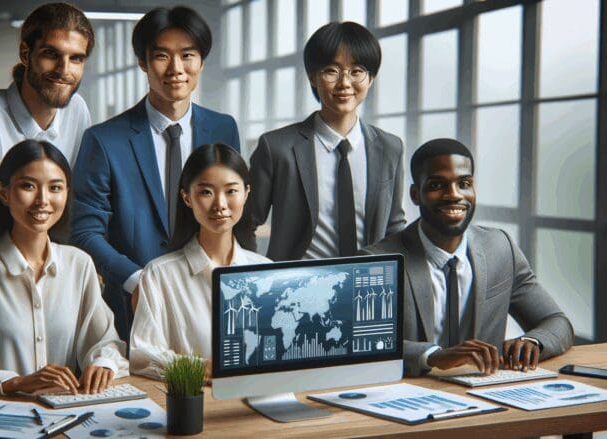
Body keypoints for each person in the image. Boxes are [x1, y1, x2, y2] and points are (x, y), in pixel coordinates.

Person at [72, 6, 241, 341]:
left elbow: (235, 215)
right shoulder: (104, 140)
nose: (176, 69)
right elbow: (84, 231)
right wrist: (138, 281)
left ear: (201, 62)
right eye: (162, 56)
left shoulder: (224, 128)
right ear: (142, 62)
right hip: (131, 304)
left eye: (188, 55)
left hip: (210, 300)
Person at [0, 140, 128, 396]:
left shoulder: (79, 264)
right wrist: (14, 383)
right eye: (28, 186)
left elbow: (105, 341)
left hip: (65, 414)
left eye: (55, 188)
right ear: (4, 193)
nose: (43, 200)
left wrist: (103, 363)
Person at [361, 138, 573, 377]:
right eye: (436, 185)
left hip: (486, 393)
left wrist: (532, 341)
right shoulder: (377, 261)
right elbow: (365, 344)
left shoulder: (500, 248)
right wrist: (433, 356)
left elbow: (556, 321)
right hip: (410, 394)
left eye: (464, 183)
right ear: (415, 194)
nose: (454, 195)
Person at [0, 2, 94, 252]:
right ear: (25, 54)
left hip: (56, 275)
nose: (64, 70)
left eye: (76, 58)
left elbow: (73, 208)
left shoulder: (77, 110)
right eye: (51, 54)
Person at [245, 21, 405, 261]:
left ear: (370, 78)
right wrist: (255, 276)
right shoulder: (277, 147)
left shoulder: (390, 148)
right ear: (312, 77)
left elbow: (394, 226)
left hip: (369, 286)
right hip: (296, 288)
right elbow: (245, 222)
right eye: (331, 70)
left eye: (357, 71)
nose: (345, 83)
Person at [130, 144, 269, 381]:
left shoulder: (266, 270)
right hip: (190, 401)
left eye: (231, 191)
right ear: (187, 197)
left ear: (246, 193)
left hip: (256, 399)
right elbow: (141, 355)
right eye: (206, 192)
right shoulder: (159, 274)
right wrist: (198, 368)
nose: (220, 204)